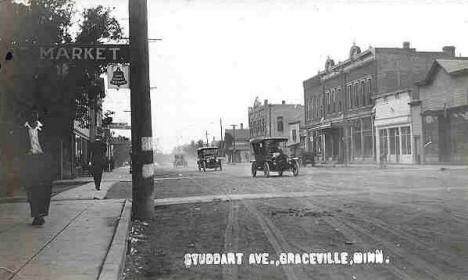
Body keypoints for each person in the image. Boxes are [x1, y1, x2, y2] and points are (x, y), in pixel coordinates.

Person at [18, 108, 53, 226]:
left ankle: (41, 213)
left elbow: (51, 147)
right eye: (31, 113)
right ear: (28, 116)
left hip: (43, 161)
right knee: (32, 190)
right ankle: (37, 215)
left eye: (35, 113)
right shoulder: (22, 130)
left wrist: (49, 161)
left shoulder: (45, 129)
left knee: (44, 189)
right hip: (29, 162)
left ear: (38, 115)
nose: (34, 115)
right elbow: (17, 148)